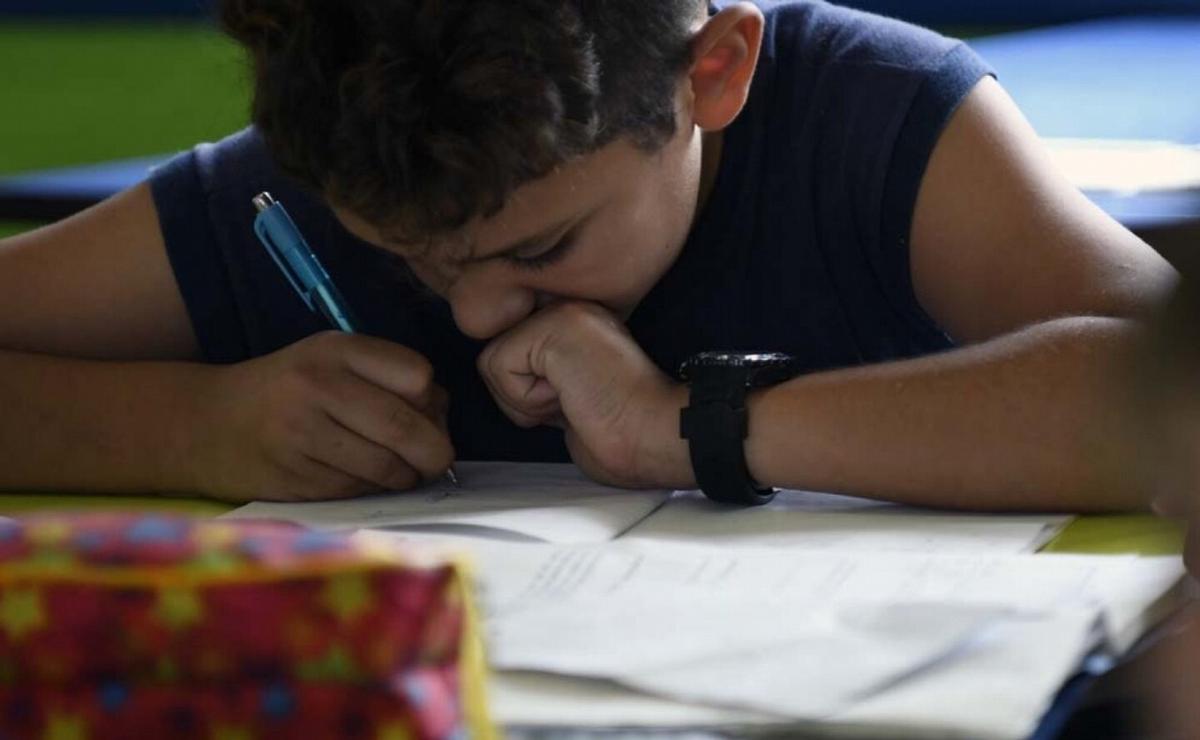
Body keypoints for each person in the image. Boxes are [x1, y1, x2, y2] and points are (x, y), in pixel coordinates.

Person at [0, 0, 1177, 505]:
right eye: (405, 257)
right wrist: (185, 430)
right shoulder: (339, 158)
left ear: (713, 72)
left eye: (544, 245)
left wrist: (687, 423)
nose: (470, 316)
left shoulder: (878, 123)